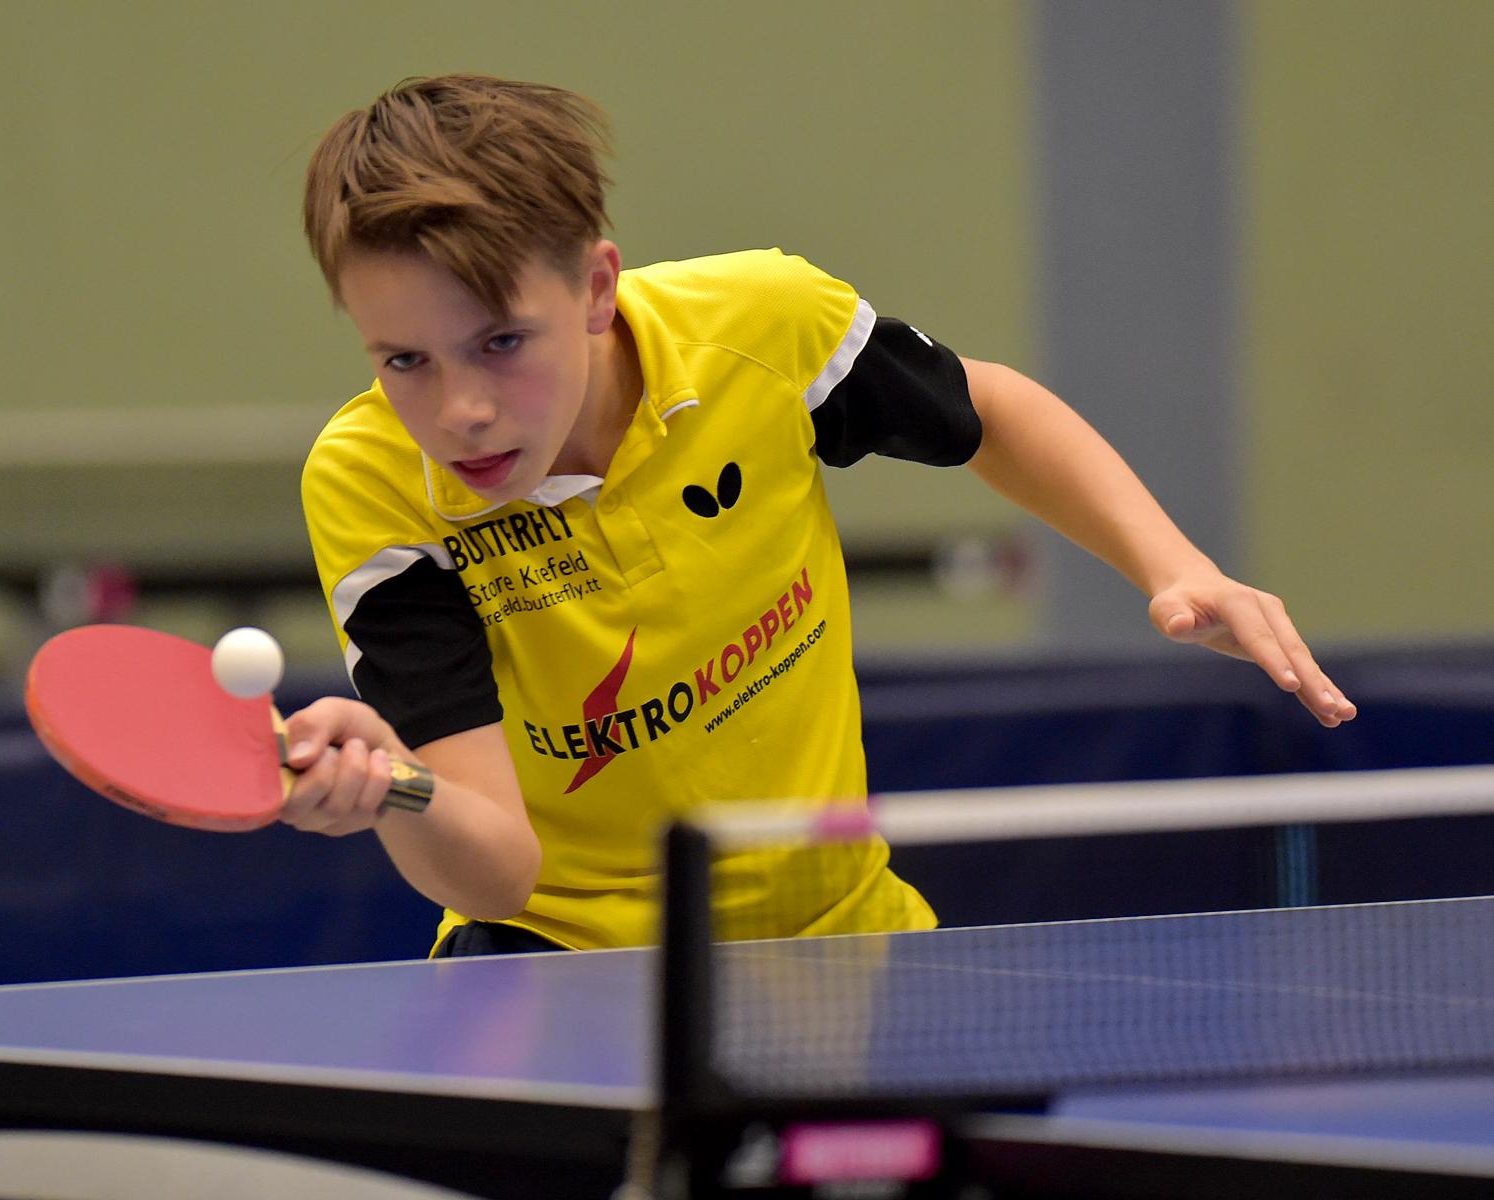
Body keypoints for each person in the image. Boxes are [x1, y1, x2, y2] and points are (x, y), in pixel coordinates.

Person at [280, 74, 1356, 958]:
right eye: (404, 361)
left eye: (501, 343)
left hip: (846, 936)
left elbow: (988, 411)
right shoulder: (373, 483)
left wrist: (1173, 564)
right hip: (566, 967)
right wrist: (396, 791)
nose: (460, 410)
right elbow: (499, 871)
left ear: (597, 289)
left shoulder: (759, 329)